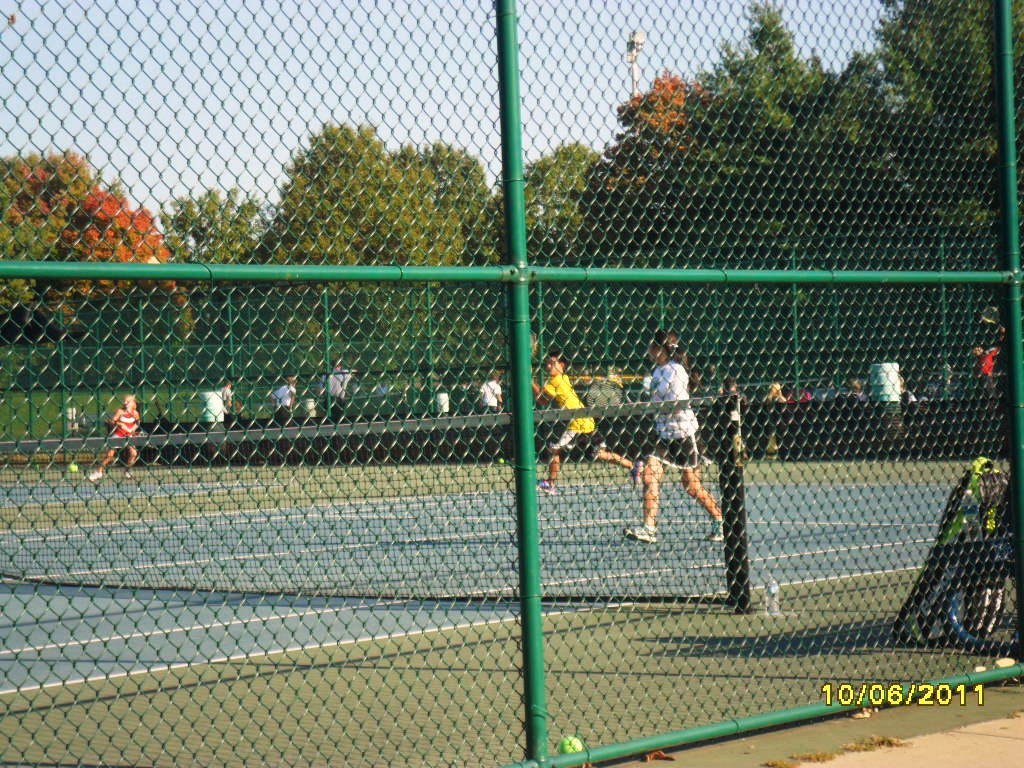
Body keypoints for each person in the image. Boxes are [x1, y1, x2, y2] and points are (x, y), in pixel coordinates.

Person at [624, 330, 724, 544]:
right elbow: (657, 402)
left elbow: (676, 406)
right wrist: (647, 402)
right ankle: (649, 529)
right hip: (664, 434)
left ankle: (720, 519)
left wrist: (652, 405)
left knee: (691, 485)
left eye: (651, 345)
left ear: (659, 349)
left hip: (684, 434)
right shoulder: (657, 371)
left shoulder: (676, 371)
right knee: (649, 475)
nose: (648, 349)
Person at [531, 349, 631, 494]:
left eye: (552, 363)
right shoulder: (563, 378)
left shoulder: (556, 380)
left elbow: (542, 400)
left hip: (577, 423)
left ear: (562, 365)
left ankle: (550, 483)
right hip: (587, 420)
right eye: (547, 363)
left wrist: (529, 381)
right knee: (599, 453)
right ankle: (633, 466)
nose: (548, 366)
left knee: (554, 450)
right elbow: (544, 399)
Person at [87, 394, 141, 482]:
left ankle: (127, 470)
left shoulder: (135, 413)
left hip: (128, 435)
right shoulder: (120, 411)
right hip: (118, 435)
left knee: (134, 454)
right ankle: (98, 472)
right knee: (109, 456)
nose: (125, 403)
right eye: (125, 401)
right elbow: (112, 421)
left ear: (132, 403)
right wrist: (120, 424)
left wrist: (132, 430)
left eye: (127, 401)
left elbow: (138, 422)